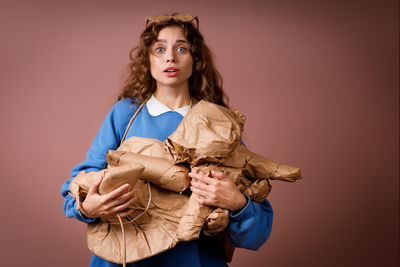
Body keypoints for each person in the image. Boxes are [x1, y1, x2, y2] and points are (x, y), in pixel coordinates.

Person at [60, 14, 273, 267]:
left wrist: (237, 203)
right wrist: (89, 207)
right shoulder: (125, 114)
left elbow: (257, 233)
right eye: (160, 49)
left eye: (181, 48)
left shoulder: (218, 123)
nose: (170, 57)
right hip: (124, 256)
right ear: (147, 60)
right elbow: (77, 188)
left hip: (194, 259)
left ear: (196, 59)